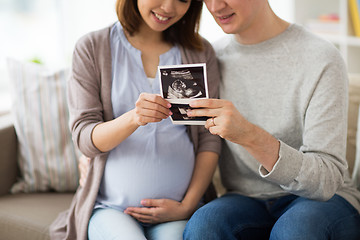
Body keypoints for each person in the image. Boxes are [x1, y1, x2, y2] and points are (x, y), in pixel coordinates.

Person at [183, 0, 360, 239]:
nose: (215, 6)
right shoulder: (211, 59)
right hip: (246, 199)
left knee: (295, 230)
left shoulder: (321, 57)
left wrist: (249, 136)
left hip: (323, 199)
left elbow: (326, 182)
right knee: (204, 225)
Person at [49, 0, 221, 239]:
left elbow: (209, 138)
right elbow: (84, 139)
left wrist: (187, 206)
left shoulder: (200, 51)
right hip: (111, 208)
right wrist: (133, 118)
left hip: (177, 210)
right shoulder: (92, 47)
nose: (169, 7)